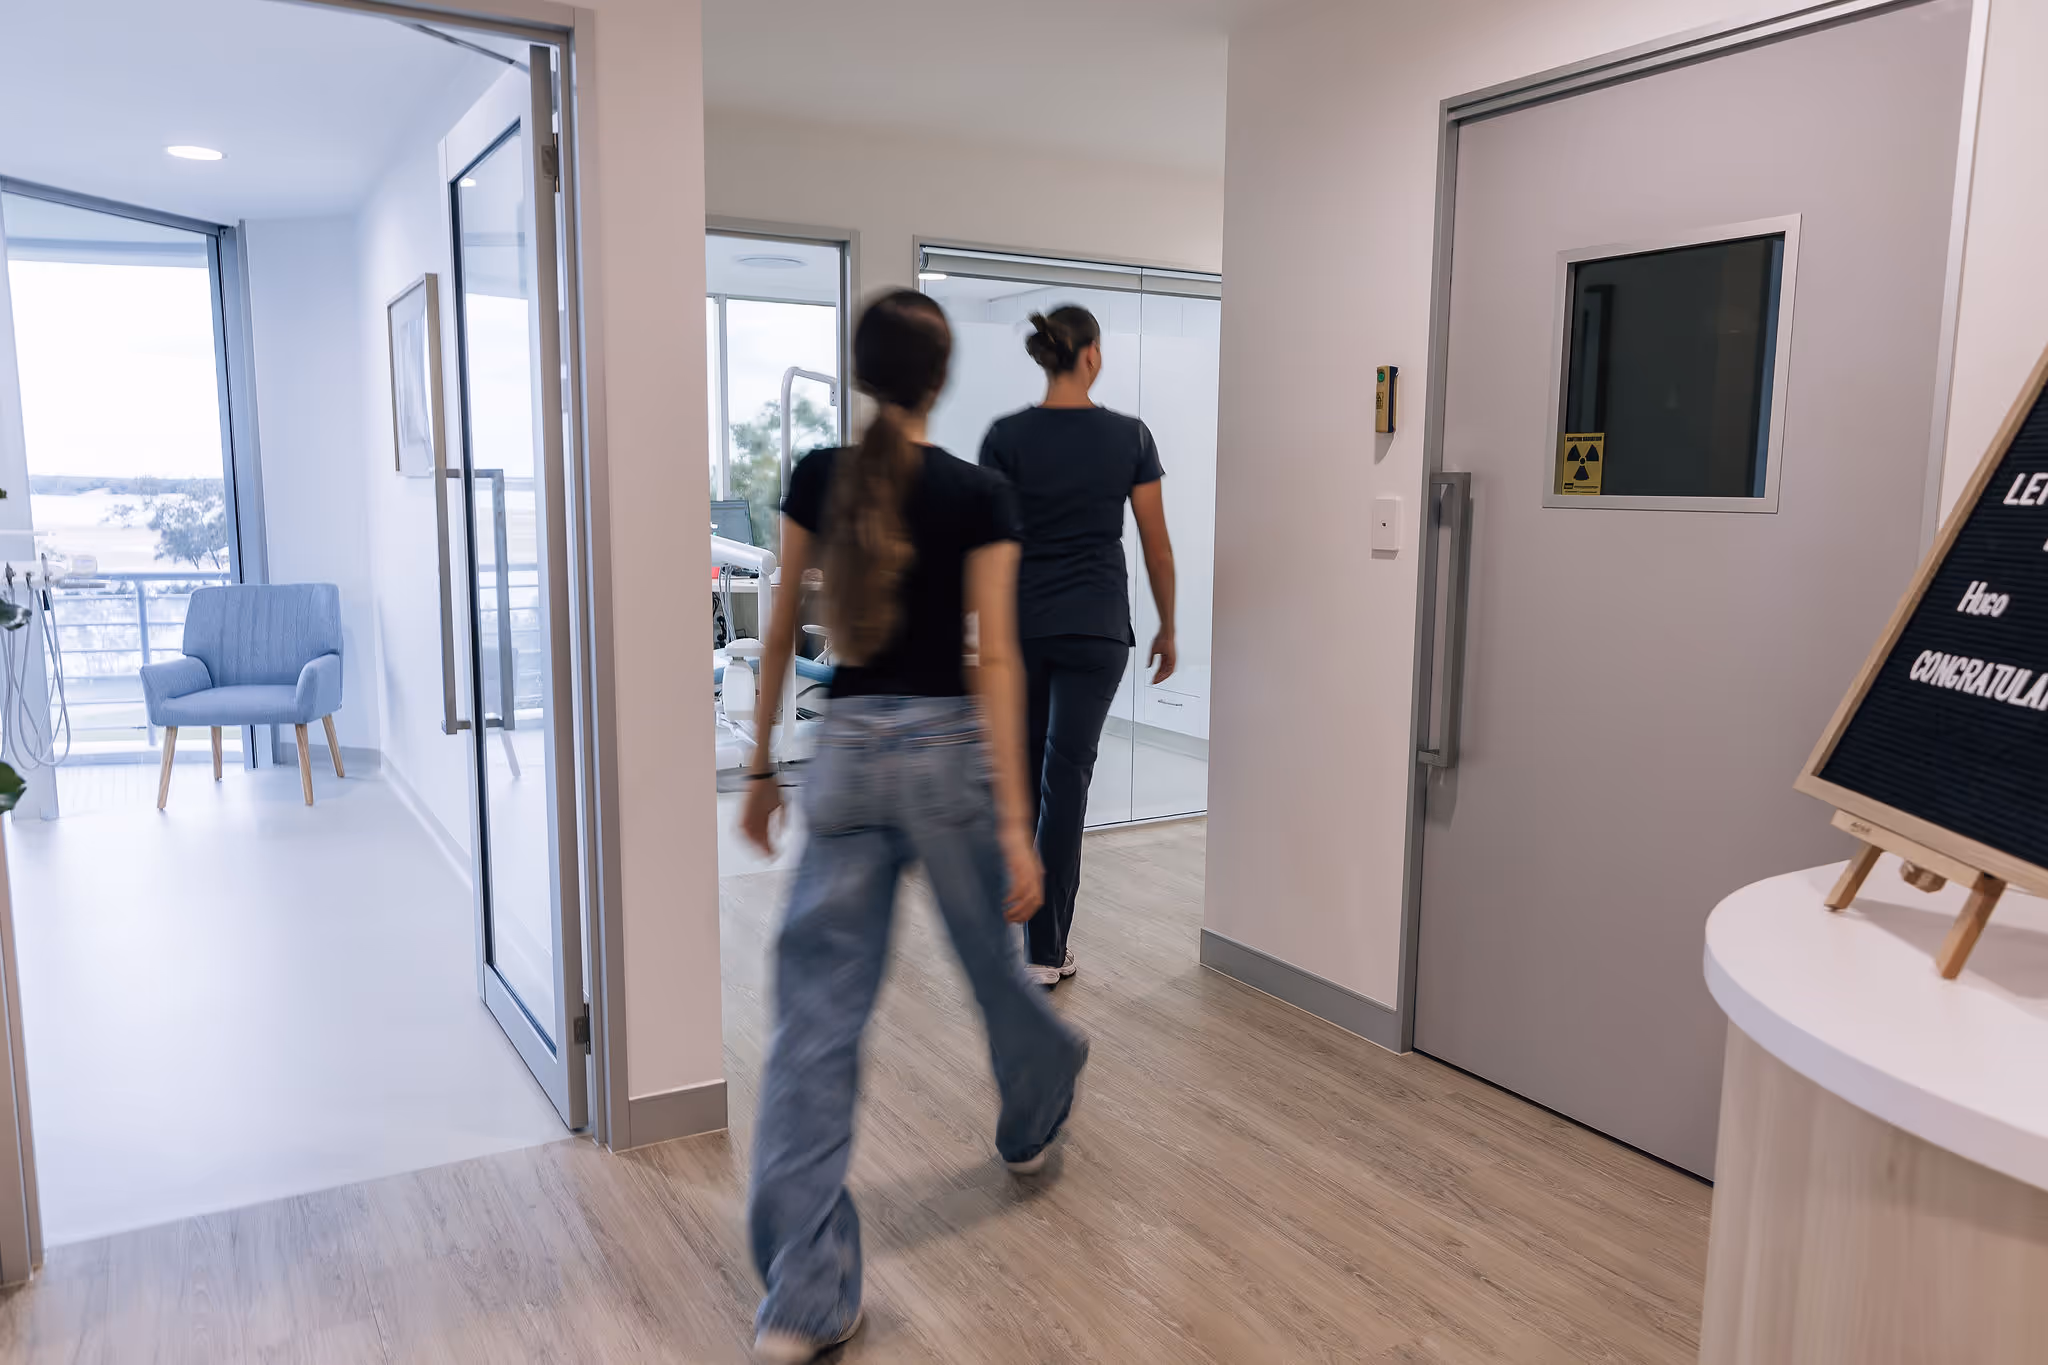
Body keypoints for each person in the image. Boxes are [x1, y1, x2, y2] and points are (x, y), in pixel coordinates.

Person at [740, 290, 1090, 1365]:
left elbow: (778, 628)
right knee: (996, 970)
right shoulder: (979, 493)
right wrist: (1019, 828)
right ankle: (1037, 1100)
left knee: (814, 1026)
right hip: (943, 759)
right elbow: (996, 663)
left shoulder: (816, 476)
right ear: (938, 381)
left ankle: (804, 1298)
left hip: (844, 753)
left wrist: (760, 765)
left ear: (860, 374)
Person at [978, 305, 1177, 988]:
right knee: (1066, 781)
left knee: (1030, 774)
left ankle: (1032, 938)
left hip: (1023, 625)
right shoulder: (1128, 436)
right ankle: (1045, 948)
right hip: (1096, 627)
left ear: (1046, 357)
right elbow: (1156, 545)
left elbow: (990, 544)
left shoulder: (1006, 437)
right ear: (1090, 355)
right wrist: (1168, 625)